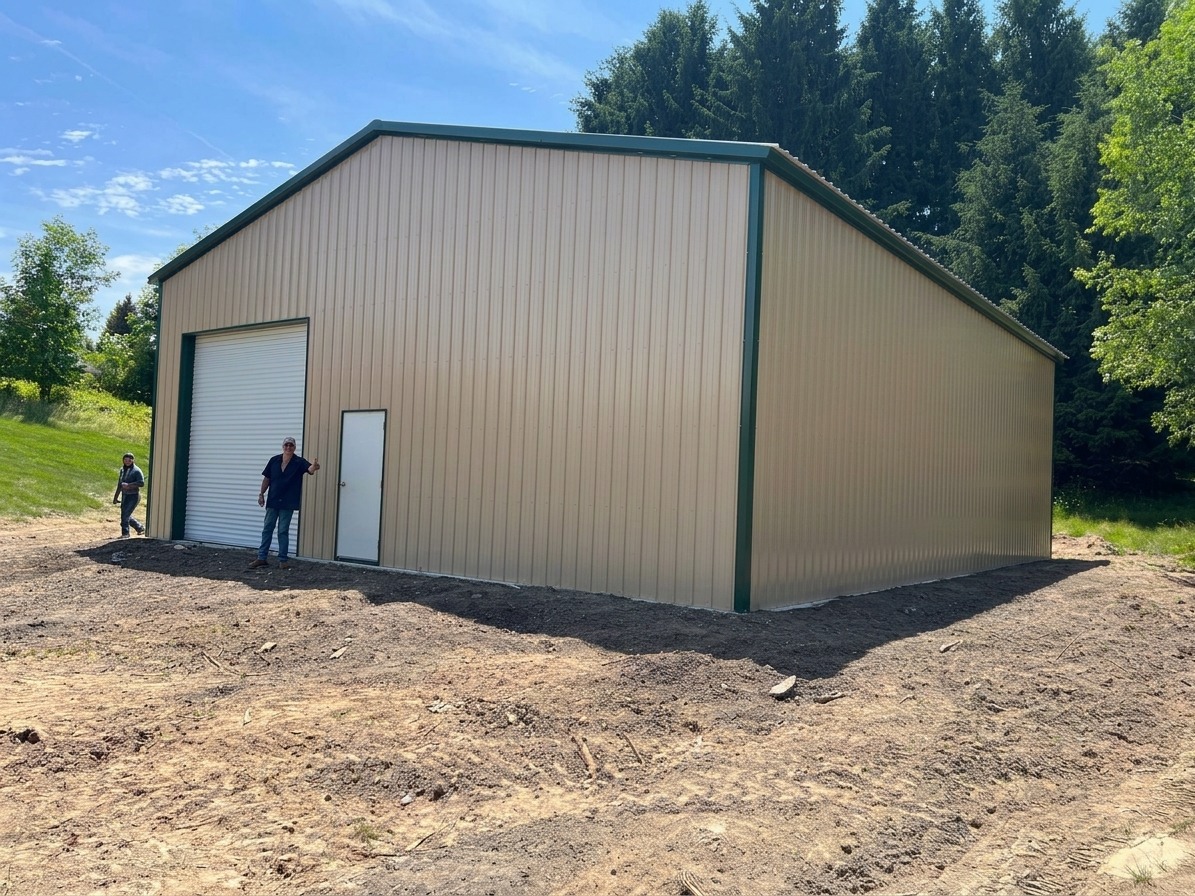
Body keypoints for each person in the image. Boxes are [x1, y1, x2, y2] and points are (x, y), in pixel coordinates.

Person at [250, 436, 319, 569]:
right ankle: (261, 558)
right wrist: (261, 494)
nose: (288, 447)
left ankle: (283, 560)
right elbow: (267, 478)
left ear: (294, 447)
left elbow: (310, 469)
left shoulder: (299, 462)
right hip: (273, 500)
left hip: (288, 502)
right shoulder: (274, 460)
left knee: (283, 531)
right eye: (286, 445)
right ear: (283, 446)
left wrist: (315, 467)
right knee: (267, 529)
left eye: (291, 445)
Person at [113, 452, 145, 538]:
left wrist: (129, 485)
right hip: (125, 495)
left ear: (133, 460)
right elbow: (120, 484)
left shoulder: (136, 471)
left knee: (125, 515)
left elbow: (141, 483)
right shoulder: (122, 470)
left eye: (129, 460)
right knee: (125, 514)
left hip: (133, 495)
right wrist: (115, 497)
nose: (127, 462)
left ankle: (125, 533)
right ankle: (140, 528)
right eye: (125, 460)